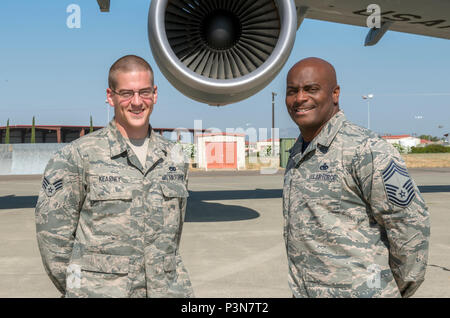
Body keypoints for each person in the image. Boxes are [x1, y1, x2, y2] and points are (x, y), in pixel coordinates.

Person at [35, 55, 194, 298]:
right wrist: (83, 288)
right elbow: (53, 241)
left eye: (144, 92)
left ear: (155, 94)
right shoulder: (77, 156)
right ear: (111, 96)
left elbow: (173, 237)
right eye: (127, 93)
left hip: (168, 291)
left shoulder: (174, 157)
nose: (137, 102)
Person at [282, 57, 430, 298]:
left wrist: (387, 289)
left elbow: (409, 224)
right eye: (292, 91)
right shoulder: (298, 153)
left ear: (335, 93)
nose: (300, 98)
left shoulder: (366, 149)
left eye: (311, 89)